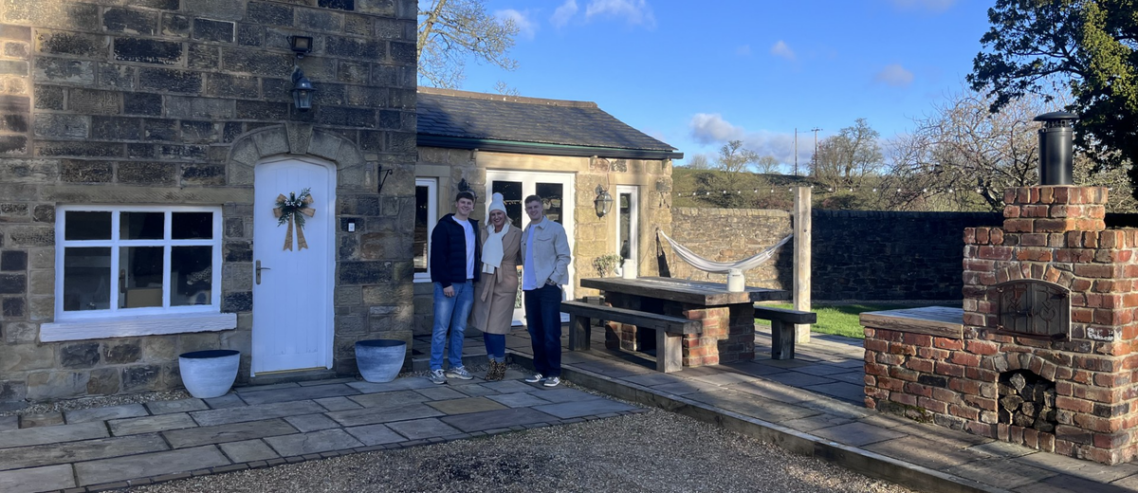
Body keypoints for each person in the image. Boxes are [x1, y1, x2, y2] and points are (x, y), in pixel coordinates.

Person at [427, 191, 482, 385]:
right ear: (457, 204)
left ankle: (455, 365)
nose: (466, 205)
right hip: (448, 284)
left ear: (473, 206)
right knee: (441, 328)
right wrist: (446, 283)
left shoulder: (474, 226)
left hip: (467, 284)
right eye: (463, 202)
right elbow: (437, 257)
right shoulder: (444, 226)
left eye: (469, 203)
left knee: (459, 328)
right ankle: (435, 368)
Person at [520, 194, 571, 387]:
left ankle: (553, 372)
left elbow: (564, 256)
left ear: (542, 207)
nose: (533, 210)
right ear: (526, 211)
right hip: (530, 287)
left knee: (551, 331)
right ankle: (540, 369)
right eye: (529, 208)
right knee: (535, 331)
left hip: (548, 287)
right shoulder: (526, 232)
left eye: (535, 206)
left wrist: (553, 279)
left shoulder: (555, 229)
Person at [472, 193, 522, 381]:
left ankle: (500, 365)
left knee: (496, 327)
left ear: (505, 214)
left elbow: (522, 257)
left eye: (499, 213)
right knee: (485, 326)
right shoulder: (483, 232)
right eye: (493, 214)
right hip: (485, 281)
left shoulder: (517, 233)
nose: (496, 217)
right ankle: (492, 364)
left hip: (505, 281)